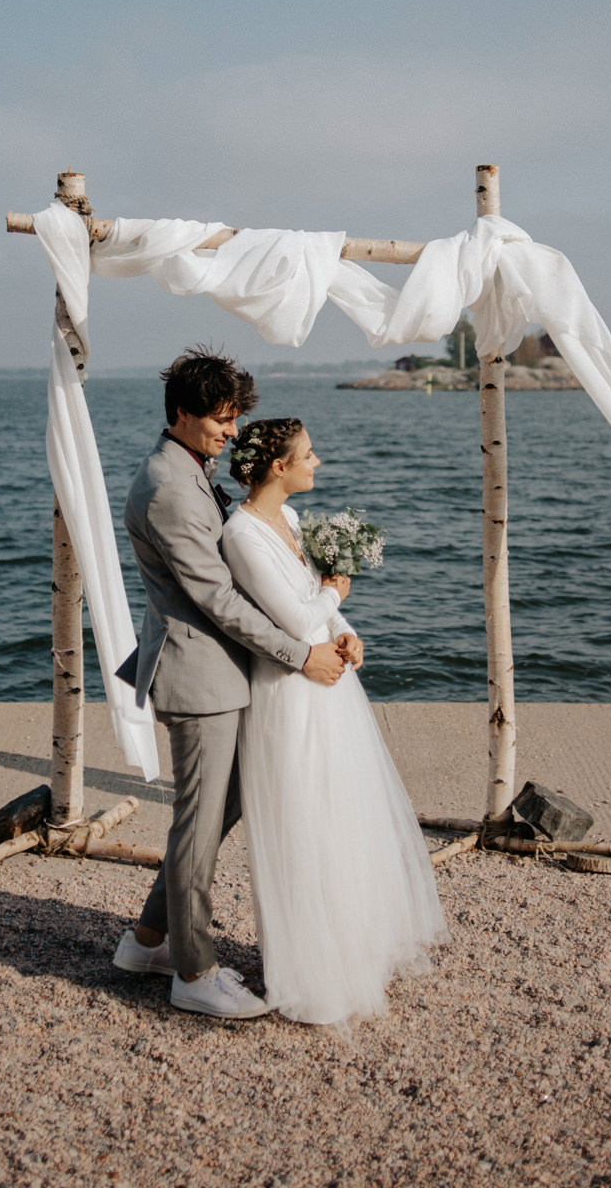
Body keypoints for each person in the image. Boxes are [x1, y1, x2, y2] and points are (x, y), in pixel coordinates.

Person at [109, 348, 350, 1019]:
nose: (233, 431)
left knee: (217, 814)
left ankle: (149, 940)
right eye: (220, 418)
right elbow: (218, 599)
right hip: (198, 677)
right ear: (181, 413)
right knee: (199, 823)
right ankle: (195, 972)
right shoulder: (166, 488)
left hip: (222, 674)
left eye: (235, 418)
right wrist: (301, 656)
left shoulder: (191, 469)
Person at [220, 417, 446, 1025]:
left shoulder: (290, 521)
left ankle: (352, 950)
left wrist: (346, 633)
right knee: (303, 820)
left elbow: (316, 607)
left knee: (343, 814)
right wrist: (336, 600)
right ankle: (307, 971)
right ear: (277, 468)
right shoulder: (241, 535)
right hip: (289, 693)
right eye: (309, 455)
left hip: (330, 684)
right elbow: (294, 619)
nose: (317, 462)